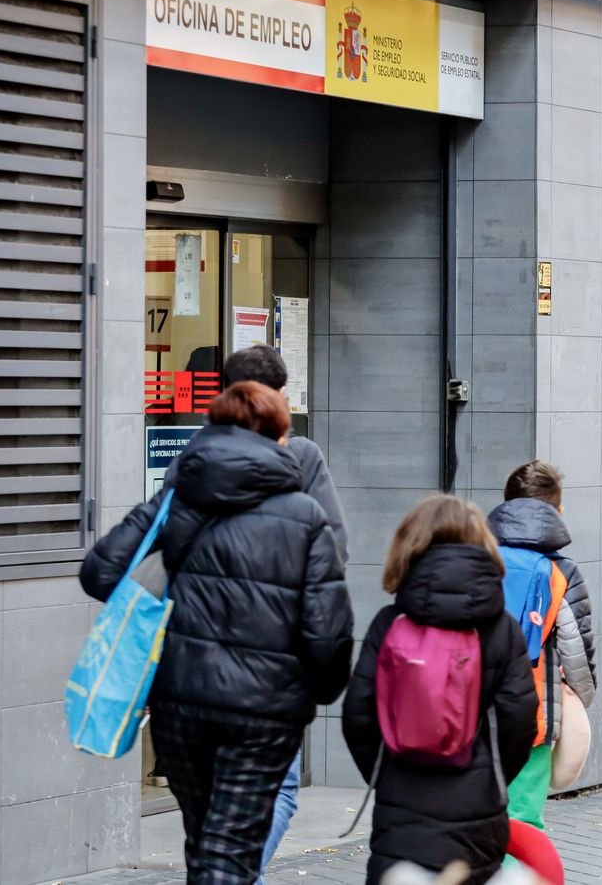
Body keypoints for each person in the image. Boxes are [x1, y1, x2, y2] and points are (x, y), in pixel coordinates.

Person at [81, 382, 353, 882]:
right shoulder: (305, 515)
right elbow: (327, 631)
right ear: (281, 436)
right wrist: (314, 691)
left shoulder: (179, 497)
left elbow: (99, 573)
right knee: (229, 852)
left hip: (181, 703)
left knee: (205, 844)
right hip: (264, 710)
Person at [151, 344, 349, 882]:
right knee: (275, 792)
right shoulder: (300, 456)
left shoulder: (194, 456)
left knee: (209, 817)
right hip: (267, 671)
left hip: (188, 672)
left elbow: (126, 559)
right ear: (280, 397)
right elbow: (333, 556)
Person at [341, 495, 538, 885]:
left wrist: (388, 774)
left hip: (401, 817)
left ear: (408, 548)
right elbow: (519, 721)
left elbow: (358, 715)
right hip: (479, 818)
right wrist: (489, 776)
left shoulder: (390, 623)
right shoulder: (503, 631)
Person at [485, 461, 597, 830]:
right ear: (558, 512)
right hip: (533, 715)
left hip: (471, 710)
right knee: (522, 821)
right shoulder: (561, 571)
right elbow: (577, 651)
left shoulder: (475, 560)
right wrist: (580, 698)